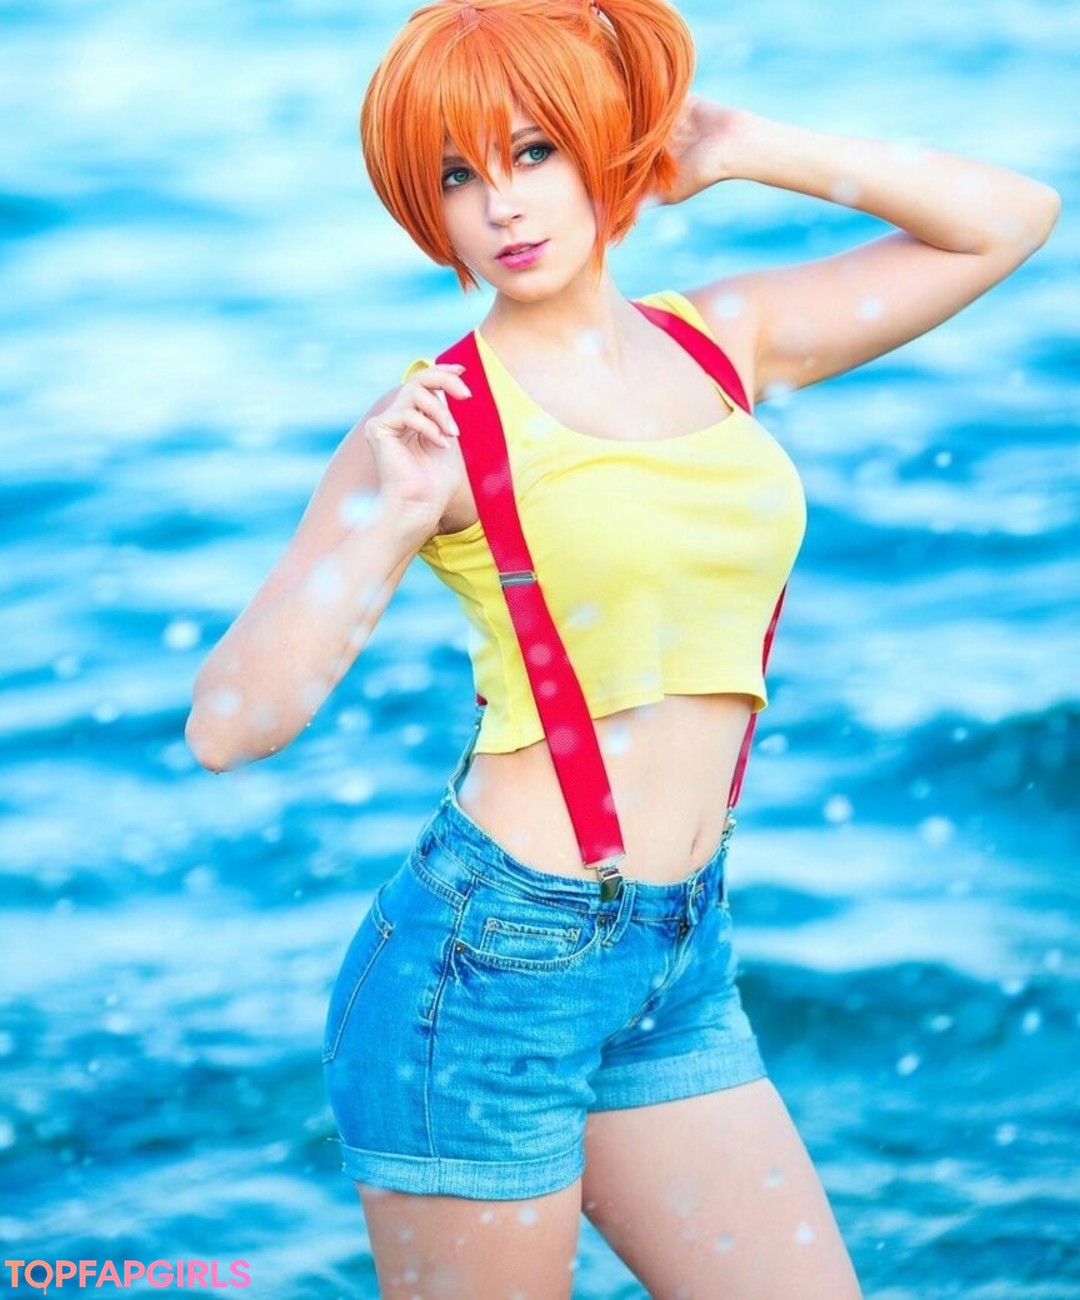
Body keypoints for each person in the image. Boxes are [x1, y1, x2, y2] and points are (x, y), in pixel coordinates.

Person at [184, 0, 1059, 1295]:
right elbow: (228, 726)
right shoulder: (434, 423)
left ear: (603, 145)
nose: (502, 205)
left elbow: (1009, 220)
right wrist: (389, 526)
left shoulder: (721, 341)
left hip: (678, 956)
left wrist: (746, 146)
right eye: (457, 176)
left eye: (535, 150)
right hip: (485, 971)